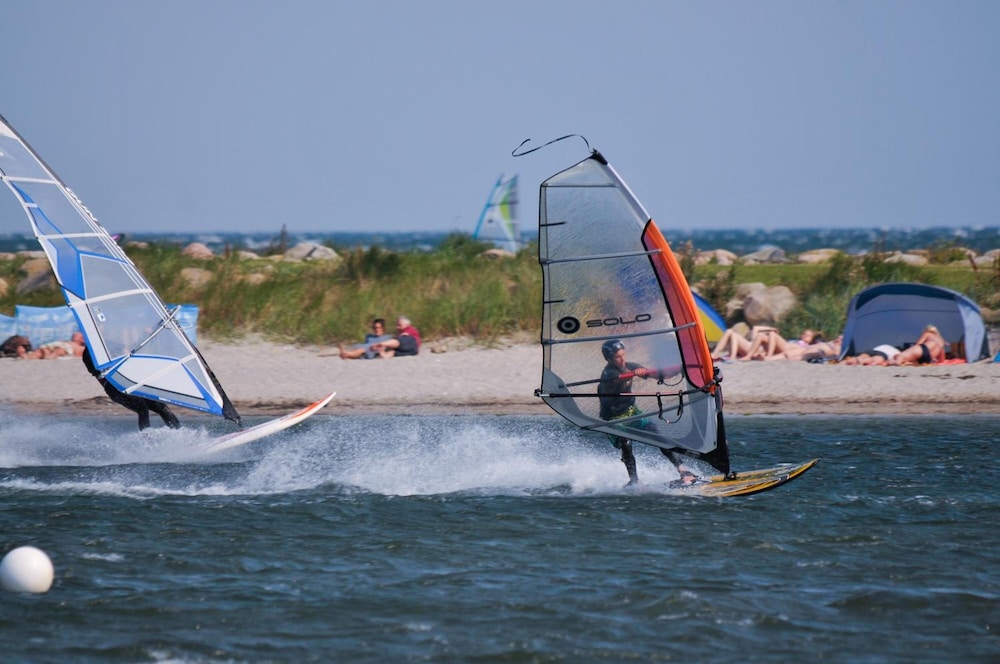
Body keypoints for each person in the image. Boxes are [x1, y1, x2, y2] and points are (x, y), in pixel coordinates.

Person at [597, 339, 697, 487]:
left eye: (623, 354)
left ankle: (683, 471)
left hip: (632, 412)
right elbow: (611, 385)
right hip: (614, 418)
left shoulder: (628, 366)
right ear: (609, 358)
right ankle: (634, 480)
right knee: (626, 443)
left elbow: (657, 375)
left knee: (657, 436)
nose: (623, 359)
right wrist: (632, 373)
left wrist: (677, 370)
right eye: (618, 357)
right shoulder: (608, 374)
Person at [82, 350, 181, 431]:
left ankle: (179, 433)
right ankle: (147, 440)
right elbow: (99, 369)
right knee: (142, 408)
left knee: (161, 407)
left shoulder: (108, 345)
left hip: (128, 381)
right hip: (113, 387)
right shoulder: (88, 354)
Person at [743, 328, 822, 361]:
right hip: (781, 347)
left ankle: (769, 356)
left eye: (807, 335)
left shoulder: (807, 346)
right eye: (804, 334)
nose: (804, 335)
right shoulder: (796, 340)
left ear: (812, 339)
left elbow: (820, 346)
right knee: (761, 335)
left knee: (772, 334)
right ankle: (748, 356)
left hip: (786, 348)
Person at [711, 325, 778, 361]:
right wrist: (772, 329)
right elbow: (756, 328)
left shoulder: (768, 344)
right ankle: (715, 353)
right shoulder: (758, 338)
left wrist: (771, 331)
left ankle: (732, 357)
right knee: (729, 331)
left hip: (749, 349)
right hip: (747, 347)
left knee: (734, 335)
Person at [17, 331, 87, 359]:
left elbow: (82, 354)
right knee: (42, 350)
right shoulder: (68, 341)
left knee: (60, 350)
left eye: (77, 335)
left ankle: (51, 356)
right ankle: (27, 356)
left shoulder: (80, 347)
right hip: (59, 344)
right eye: (74, 335)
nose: (74, 334)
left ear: (82, 339)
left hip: (66, 348)